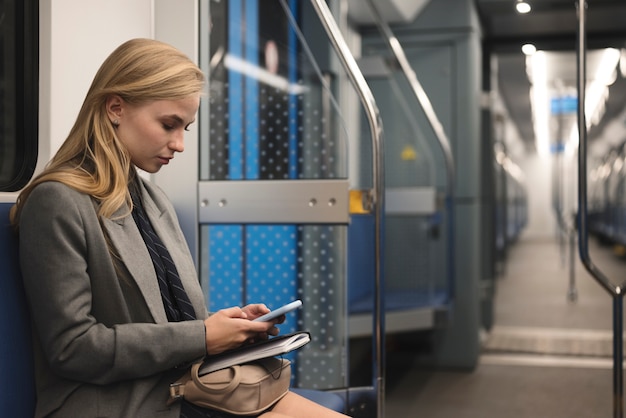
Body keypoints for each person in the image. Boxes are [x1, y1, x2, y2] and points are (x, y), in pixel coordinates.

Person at [10, 38, 349, 418]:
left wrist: (229, 328)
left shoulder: (153, 201)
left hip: (186, 384)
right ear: (115, 107)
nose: (180, 144)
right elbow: (73, 348)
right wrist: (203, 335)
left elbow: (173, 323)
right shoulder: (57, 202)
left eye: (185, 127)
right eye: (169, 124)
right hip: (118, 401)